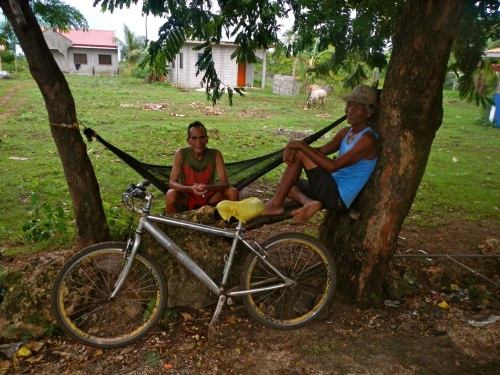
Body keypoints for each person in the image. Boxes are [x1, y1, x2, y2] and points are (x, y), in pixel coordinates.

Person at [261, 84, 379, 223]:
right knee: (285, 183)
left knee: (301, 154)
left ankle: (275, 205)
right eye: (348, 104)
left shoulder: (368, 139)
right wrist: (296, 148)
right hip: (328, 187)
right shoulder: (345, 132)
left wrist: (302, 146)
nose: (350, 110)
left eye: (357, 107)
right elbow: (321, 151)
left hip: (338, 197)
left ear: (369, 112)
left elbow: (332, 166)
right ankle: (309, 203)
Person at [166, 121, 239, 214]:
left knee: (233, 192)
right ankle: (172, 225)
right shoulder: (181, 153)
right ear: (188, 141)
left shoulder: (215, 154)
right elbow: (172, 183)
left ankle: (233, 224)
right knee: (170, 194)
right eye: (194, 138)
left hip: (209, 197)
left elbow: (225, 184)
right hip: (187, 197)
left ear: (207, 139)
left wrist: (207, 188)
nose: (198, 142)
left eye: (202, 137)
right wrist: (191, 189)